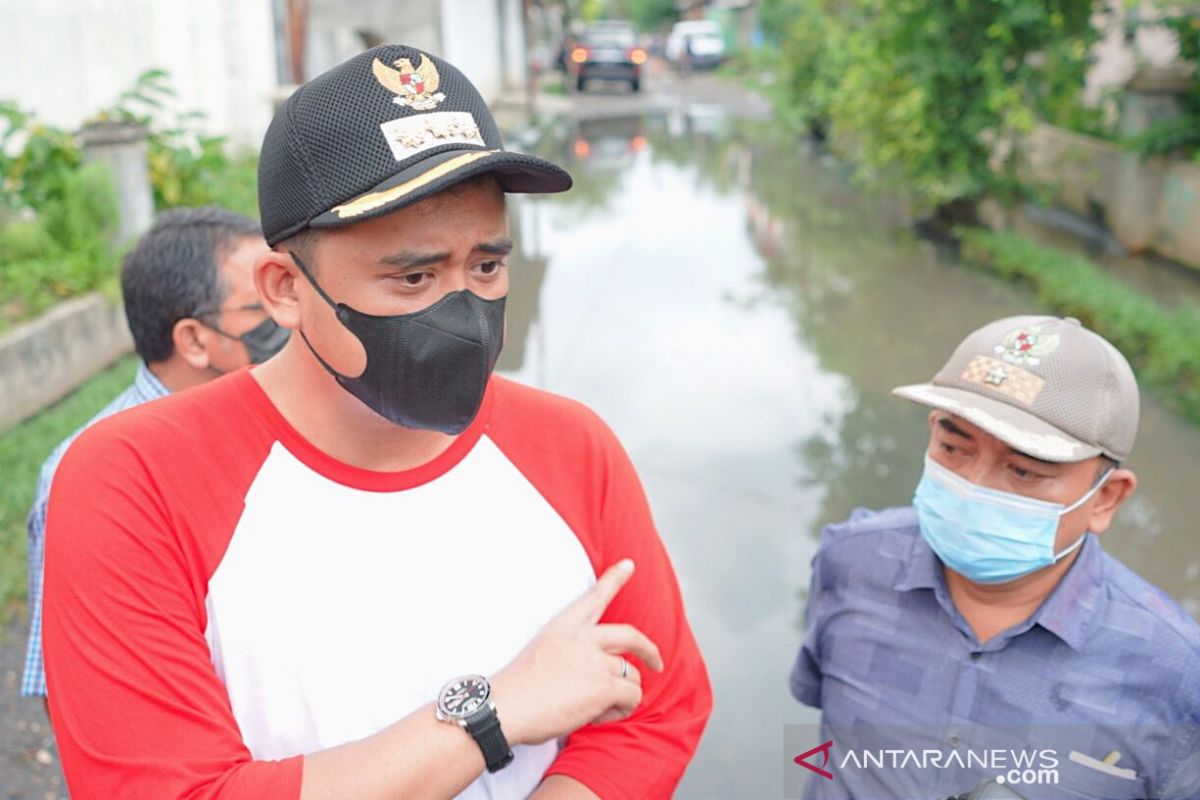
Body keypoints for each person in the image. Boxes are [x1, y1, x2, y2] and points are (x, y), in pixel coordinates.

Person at [42, 45, 711, 799]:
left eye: (486, 267)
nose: (464, 315)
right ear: (285, 288)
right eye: (414, 276)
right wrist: (495, 712)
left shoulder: (570, 447)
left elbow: (657, 706)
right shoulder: (134, 479)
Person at [790, 315, 1200, 800]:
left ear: (1105, 498)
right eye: (952, 447)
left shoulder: (1175, 673)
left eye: (1024, 471)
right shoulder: (853, 560)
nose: (974, 486)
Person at [21, 206, 286, 702]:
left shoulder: (284, 417)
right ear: (193, 340)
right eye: (260, 307)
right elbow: (72, 687)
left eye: (289, 288)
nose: (288, 316)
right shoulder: (88, 475)